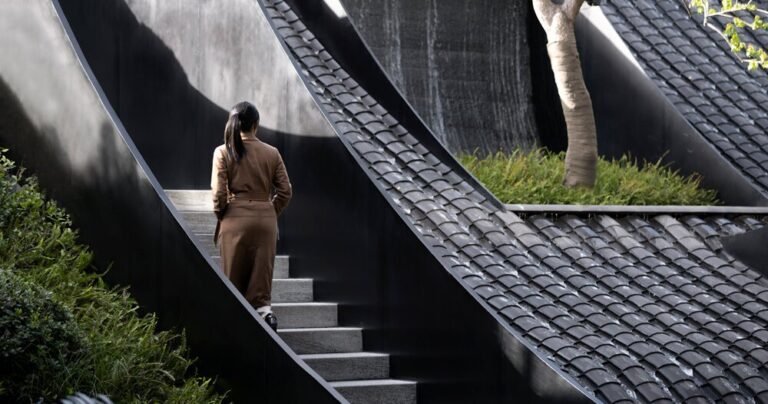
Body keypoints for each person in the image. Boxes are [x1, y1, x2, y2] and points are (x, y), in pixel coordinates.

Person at [211, 101, 292, 331]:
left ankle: (235, 328)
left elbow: (218, 193)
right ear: (256, 124)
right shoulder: (272, 153)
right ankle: (265, 314)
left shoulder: (223, 151)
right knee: (261, 279)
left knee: (233, 280)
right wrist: (268, 211)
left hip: (234, 218)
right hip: (265, 219)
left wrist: (223, 212)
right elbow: (285, 191)